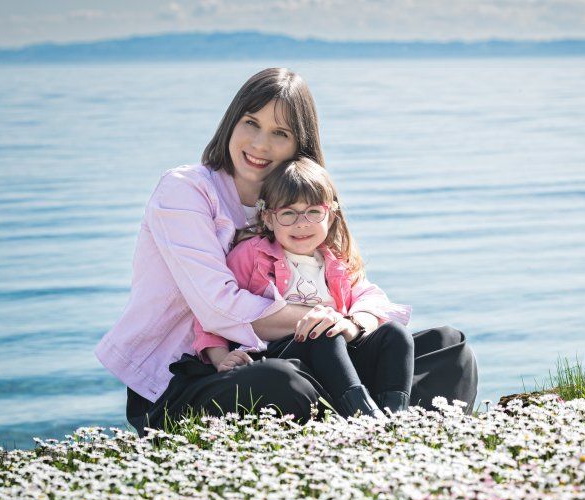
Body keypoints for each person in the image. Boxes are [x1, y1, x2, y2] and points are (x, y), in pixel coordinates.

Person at [94, 67, 478, 437]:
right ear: (231, 122)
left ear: (299, 146)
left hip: (310, 353)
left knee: (449, 346)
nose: (260, 144)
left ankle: (378, 418)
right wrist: (322, 320)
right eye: (251, 123)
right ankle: (363, 415)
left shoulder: (303, 202)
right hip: (197, 374)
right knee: (281, 383)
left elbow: (360, 287)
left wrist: (353, 323)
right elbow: (216, 307)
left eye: (280, 133)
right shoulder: (186, 190)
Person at [193, 158, 414, 420]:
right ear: (269, 218)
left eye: (313, 212)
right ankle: (362, 416)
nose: (302, 223)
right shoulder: (251, 255)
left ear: (330, 215)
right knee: (321, 332)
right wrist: (221, 357)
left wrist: (353, 323)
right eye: (288, 213)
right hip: (283, 355)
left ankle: (396, 416)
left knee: (395, 333)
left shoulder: (337, 259)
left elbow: (371, 297)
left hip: (339, 355)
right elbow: (211, 312)